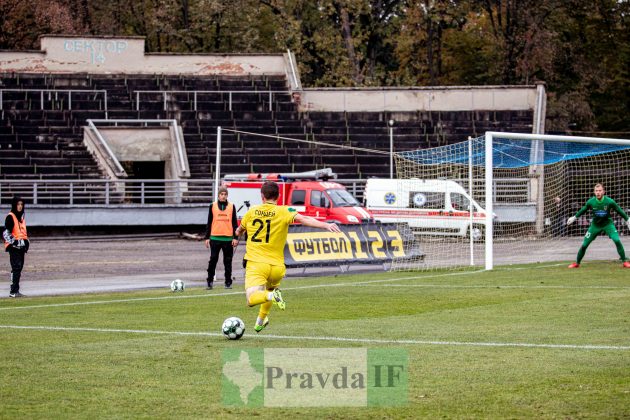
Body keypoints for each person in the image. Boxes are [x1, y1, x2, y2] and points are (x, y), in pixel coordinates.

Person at [234, 181, 341, 332]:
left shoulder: (252, 211)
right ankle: (260, 321)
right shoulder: (284, 211)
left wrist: (236, 234)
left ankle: (273, 296)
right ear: (278, 196)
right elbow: (304, 219)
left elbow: (239, 230)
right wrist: (326, 225)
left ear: (262, 196)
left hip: (257, 263)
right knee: (269, 290)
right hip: (277, 267)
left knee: (252, 298)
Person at [566, 183, 630, 268]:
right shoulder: (591, 202)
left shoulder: (609, 201)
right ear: (594, 192)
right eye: (596, 191)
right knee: (584, 245)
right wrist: (574, 217)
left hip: (608, 224)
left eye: (600, 190)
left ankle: (625, 262)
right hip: (595, 226)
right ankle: (577, 263)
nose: (598, 192)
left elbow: (619, 210)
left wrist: (627, 219)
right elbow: (583, 210)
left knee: (617, 240)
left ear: (603, 191)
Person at [204, 186, 238, 289]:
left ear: (227, 195)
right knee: (213, 260)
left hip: (228, 239)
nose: (223, 196)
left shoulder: (232, 206)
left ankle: (228, 282)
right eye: (221, 194)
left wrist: (235, 237)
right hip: (215, 238)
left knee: (228, 261)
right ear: (218, 195)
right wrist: (207, 237)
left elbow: (234, 223)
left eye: (225, 194)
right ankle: (209, 281)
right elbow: (209, 222)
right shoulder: (212, 206)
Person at [3, 196, 30, 297]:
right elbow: (6, 234)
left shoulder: (21, 218)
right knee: (16, 268)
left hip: (21, 248)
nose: (20, 206)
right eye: (18, 204)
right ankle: (13, 291)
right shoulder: (10, 217)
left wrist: (26, 242)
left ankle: (15, 290)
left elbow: (23, 233)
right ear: (14, 205)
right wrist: (16, 243)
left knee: (19, 268)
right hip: (14, 248)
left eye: (21, 205)